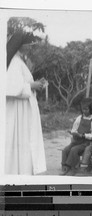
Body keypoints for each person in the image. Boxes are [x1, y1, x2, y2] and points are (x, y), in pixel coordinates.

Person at [5, 31, 47, 175]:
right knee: (20, 142)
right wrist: (32, 86)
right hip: (17, 113)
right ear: (21, 45)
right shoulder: (14, 62)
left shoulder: (19, 60)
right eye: (29, 44)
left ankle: (23, 171)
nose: (30, 47)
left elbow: (21, 83)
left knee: (24, 142)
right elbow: (10, 88)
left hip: (23, 111)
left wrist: (34, 84)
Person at [61, 98, 92, 176]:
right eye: (83, 109)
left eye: (86, 109)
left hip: (86, 142)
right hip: (77, 140)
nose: (84, 111)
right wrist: (73, 132)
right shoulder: (79, 118)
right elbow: (74, 128)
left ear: (91, 109)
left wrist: (83, 135)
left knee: (74, 150)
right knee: (65, 150)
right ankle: (65, 167)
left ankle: (72, 168)